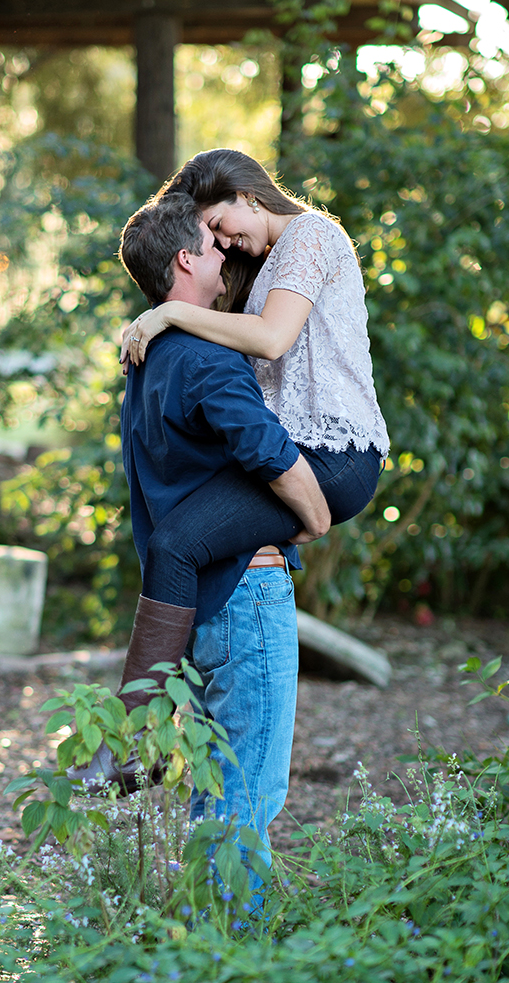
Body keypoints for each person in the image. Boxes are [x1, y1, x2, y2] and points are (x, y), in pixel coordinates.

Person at [73, 192, 329, 877]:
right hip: (245, 594)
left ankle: (201, 958)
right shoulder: (207, 357)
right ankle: (235, 969)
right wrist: (315, 512)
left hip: (195, 610)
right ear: (186, 259)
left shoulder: (146, 355)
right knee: (244, 800)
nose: (227, 254)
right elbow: (267, 448)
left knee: (217, 792)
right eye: (214, 246)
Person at [118, 146, 389, 639]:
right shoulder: (266, 264)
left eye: (219, 224)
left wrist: (169, 314)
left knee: (176, 544)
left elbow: (270, 337)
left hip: (336, 452)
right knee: (179, 540)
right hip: (296, 451)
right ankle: (176, 700)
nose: (223, 243)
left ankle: (144, 707)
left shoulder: (311, 233)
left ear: (247, 194)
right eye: (211, 237)